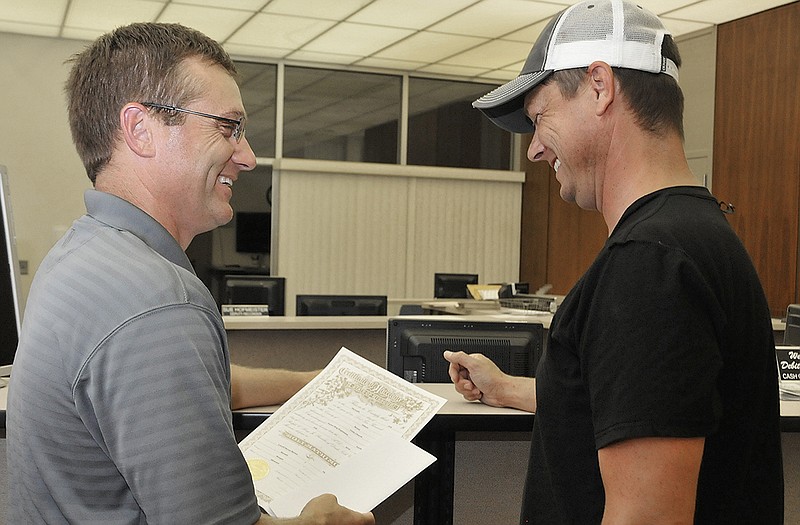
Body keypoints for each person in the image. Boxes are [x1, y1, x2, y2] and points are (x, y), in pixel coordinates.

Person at [6, 22, 373, 525]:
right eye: (228, 127)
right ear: (140, 130)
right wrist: (323, 521)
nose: (247, 156)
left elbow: (193, 384)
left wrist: (311, 383)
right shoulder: (154, 301)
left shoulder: (82, 255)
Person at [444, 1, 784, 523]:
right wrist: (506, 388)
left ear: (599, 87)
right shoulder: (692, 235)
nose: (534, 150)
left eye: (539, 118)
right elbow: (637, 404)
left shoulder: (648, 266)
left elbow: (646, 515)